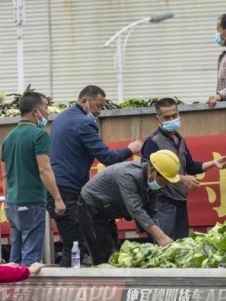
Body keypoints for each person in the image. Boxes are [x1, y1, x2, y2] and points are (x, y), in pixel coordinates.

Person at [48, 85, 143, 267]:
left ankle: (68, 280)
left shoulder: (62, 117)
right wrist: (130, 150)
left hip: (60, 187)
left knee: (74, 244)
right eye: (98, 106)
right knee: (76, 245)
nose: (99, 111)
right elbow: (107, 157)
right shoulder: (84, 123)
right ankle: (65, 283)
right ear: (85, 101)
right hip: (68, 190)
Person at [141, 97, 226, 240]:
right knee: (165, 245)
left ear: (179, 114)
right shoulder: (153, 142)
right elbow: (148, 175)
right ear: (157, 118)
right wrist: (182, 179)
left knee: (181, 244)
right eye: (167, 117)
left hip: (180, 201)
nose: (172, 120)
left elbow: (190, 166)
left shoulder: (179, 139)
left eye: (174, 115)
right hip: (162, 203)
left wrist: (213, 163)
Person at [77, 150, 180, 266]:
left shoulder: (151, 181)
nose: (164, 185)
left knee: (114, 255)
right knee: (104, 256)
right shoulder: (128, 175)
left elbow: (152, 213)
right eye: (164, 182)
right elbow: (136, 210)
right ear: (152, 171)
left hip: (106, 211)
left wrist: (160, 241)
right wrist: (161, 237)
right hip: (90, 206)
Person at [1, 92, 66, 267]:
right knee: (30, 260)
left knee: (15, 260)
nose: (47, 112)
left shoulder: (8, 138)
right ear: (35, 111)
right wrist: (58, 199)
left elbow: (5, 175)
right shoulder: (39, 135)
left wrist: (8, 200)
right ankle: (28, 286)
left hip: (12, 204)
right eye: (45, 107)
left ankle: (14, 286)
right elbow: (44, 169)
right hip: (32, 202)